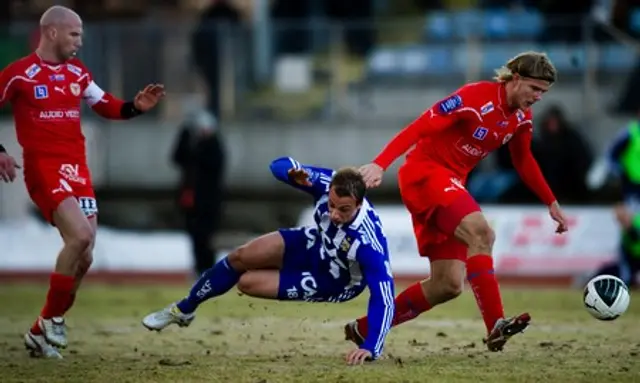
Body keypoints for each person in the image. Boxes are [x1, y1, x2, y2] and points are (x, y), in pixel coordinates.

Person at [346, 51, 569, 352]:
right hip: (425, 176)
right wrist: (380, 164)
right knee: (482, 233)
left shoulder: (520, 117)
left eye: (544, 92)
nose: (538, 97)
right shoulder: (474, 98)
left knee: (448, 284)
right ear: (516, 79)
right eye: (535, 89)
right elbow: (420, 126)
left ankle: (365, 328)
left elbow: (524, 160)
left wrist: (550, 201)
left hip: (449, 184)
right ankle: (496, 325)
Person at [0, 6, 165, 359]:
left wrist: (134, 107)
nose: (80, 41)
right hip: (43, 168)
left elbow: (106, 105)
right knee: (81, 236)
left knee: (85, 256)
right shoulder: (19, 74)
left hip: (77, 171)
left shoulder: (78, 72)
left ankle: (40, 329)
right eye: (74, 34)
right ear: (52, 33)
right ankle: (54, 321)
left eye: (82, 34)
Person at [142, 156, 395, 365]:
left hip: (333, 280)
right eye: (331, 205)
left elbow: (383, 295)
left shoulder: (367, 244)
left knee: (247, 283)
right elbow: (278, 165)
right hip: (316, 244)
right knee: (241, 256)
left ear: (360, 204)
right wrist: (292, 173)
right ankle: (183, 310)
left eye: (344, 210)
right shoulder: (326, 183)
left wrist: (372, 346)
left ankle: (197, 302)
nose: (334, 214)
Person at [171, 110, 226, 276]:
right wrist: (185, 134)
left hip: (208, 201)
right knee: (194, 234)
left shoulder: (213, 148)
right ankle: (198, 266)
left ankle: (207, 267)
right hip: (192, 198)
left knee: (206, 236)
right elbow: (177, 157)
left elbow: (211, 163)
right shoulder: (191, 146)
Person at [590, 203, 640, 287]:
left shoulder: (637, 221)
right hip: (632, 259)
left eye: (621, 218)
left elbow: (635, 237)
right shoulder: (624, 230)